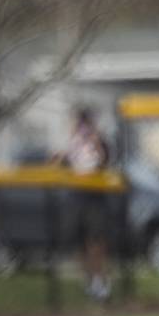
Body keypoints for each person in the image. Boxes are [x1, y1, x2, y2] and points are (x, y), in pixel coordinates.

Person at [58, 108, 113, 300]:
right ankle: (88, 279)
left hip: (94, 196)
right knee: (78, 241)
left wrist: (95, 140)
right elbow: (61, 163)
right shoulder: (73, 143)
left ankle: (100, 279)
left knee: (96, 239)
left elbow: (105, 160)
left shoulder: (98, 141)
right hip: (76, 196)